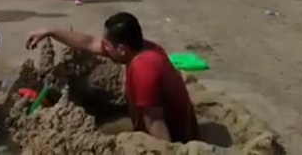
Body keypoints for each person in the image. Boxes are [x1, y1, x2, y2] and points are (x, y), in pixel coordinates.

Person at [25, 12, 199, 144]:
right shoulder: (145, 48)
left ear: (122, 49)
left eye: (107, 45)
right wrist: (50, 32)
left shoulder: (143, 69)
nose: (103, 48)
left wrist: (168, 150)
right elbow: (88, 42)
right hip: (169, 125)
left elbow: (155, 121)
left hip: (174, 137)